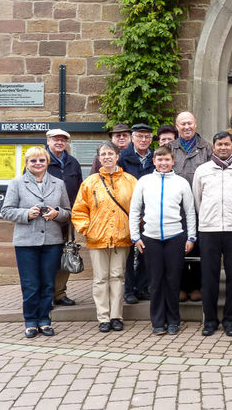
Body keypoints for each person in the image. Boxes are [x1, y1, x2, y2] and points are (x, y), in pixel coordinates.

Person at [0, 147, 71, 338]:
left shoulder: (59, 183)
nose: (38, 164)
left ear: (47, 162)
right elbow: (6, 211)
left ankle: (45, 320)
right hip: (26, 242)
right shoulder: (17, 183)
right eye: (33, 161)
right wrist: (26, 214)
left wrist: (57, 213)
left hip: (52, 241)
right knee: (31, 285)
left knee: (48, 283)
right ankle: (30, 321)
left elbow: (67, 212)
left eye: (41, 160)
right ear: (26, 163)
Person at [129, 146, 197, 335]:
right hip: (150, 239)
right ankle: (158, 321)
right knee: (156, 282)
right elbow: (135, 210)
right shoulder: (144, 181)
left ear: (173, 161)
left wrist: (191, 236)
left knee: (173, 281)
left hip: (175, 237)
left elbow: (190, 211)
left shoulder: (181, 183)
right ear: (154, 162)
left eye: (167, 160)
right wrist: (135, 236)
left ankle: (173, 320)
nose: (163, 163)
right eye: (160, 160)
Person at [71, 142, 137, 333]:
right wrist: (87, 229)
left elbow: (139, 208)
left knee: (118, 276)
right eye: (103, 154)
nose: (107, 157)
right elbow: (79, 210)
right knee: (100, 278)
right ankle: (103, 317)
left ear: (118, 156)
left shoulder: (130, 181)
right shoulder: (90, 182)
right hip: (97, 239)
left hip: (122, 237)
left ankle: (116, 316)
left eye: (110, 153)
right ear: (99, 158)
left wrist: (134, 230)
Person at [193, 131, 232, 337]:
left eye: (227, 144)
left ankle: (230, 320)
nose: (223, 147)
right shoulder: (202, 171)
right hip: (209, 229)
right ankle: (210, 320)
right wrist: (209, 218)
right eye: (219, 144)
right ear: (214, 146)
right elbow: (197, 200)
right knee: (209, 278)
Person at [169, 111, 212, 303]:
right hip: (175, 209)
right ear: (176, 127)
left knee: (198, 248)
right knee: (177, 247)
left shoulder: (207, 149)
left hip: (200, 207)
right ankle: (179, 286)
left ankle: (195, 286)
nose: (186, 127)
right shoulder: (169, 148)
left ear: (196, 124)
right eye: (182, 124)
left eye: (190, 123)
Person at [45, 128, 82, 308]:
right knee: (49, 257)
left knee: (66, 254)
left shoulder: (72, 162)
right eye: (55, 139)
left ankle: (60, 293)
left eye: (62, 140)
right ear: (48, 141)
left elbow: (80, 189)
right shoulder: (40, 161)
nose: (59, 142)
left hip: (68, 217)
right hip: (47, 218)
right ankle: (47, 295)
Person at [119, 123, 155, 305]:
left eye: (147, 137)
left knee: (145, 251)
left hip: (149, 212)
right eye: (140, 136)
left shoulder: (155, 157)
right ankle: (128, 290)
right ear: (132, 138)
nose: (143, 140)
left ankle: (142, 288)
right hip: (127, 211)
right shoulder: (123, 157)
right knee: (127, 253)